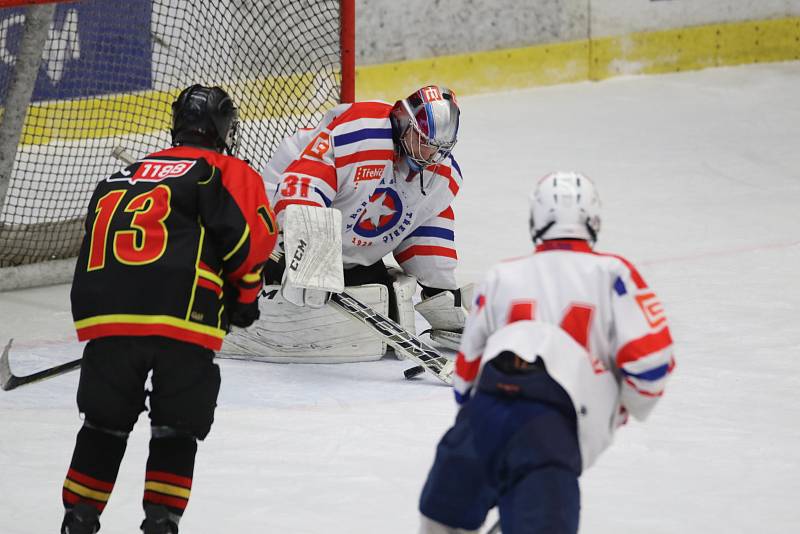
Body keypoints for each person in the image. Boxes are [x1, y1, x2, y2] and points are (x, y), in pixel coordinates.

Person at [61, 85, 277, 534]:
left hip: (105, 319)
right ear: (222, 128)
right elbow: (250, 242)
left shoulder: (125, 173)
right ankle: (160, 523)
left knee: (102, 424)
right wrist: (244, 299)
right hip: (183, 317)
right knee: (176, 428)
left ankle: (78, 519)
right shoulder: (225, 169)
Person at [418, 171, 676, 534]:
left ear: (535, 220)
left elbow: (465, 376)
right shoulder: (613, 273)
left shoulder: (501, 276)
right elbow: (651, 364)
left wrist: (479, 420)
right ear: (593, 219)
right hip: (550, 432)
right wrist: (618, 410)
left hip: (481, 419)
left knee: (440, 522)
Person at [224, 85, 468, 362]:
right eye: (424, 141)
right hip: (281, 230)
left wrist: (440, 291)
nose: (431, 154)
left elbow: (423, 227)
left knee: (387, 299)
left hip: (348, 249)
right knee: (285, 284)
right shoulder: (361, 132)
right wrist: (310, 253)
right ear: (403, 121)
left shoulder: (442, 174)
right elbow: (304, 181)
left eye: (439, 148)